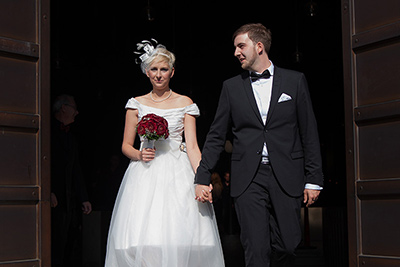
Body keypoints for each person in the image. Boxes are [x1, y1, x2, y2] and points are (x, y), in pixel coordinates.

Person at [194, 23, 324, 267]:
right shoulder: (231, 87)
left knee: (288, 244)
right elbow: (216, 135)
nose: (236, 52)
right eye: (235, 47)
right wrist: (202, 176)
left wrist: (314, 178)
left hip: (286, 173)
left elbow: (309, 132)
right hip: (248, 178)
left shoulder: (295, 81)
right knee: (255, 247)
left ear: (259, 46)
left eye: (241, 46)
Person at [104, 42, 225, 266]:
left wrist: (202, 178)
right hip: (145, 172)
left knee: (180, 235)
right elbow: (126, 146)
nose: (159, 75)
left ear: (172, 72)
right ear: (147, 72)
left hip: (177, 171)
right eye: (154, 70)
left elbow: (192, 146)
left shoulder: (185, 103)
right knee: (145, 236)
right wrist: (139, 155)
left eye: (163, 69)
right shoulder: (136, 104)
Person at [51, 94, 92, 267]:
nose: (77, 112)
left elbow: (76, 170)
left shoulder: (71, 138)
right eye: (74, 108)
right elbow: (42, 163)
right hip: (52, 199)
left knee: (67, 244)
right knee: (52, 245)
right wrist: (48, 190)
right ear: (64, 108)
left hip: (69, 202)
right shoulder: (46, 132)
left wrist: (84, 198)